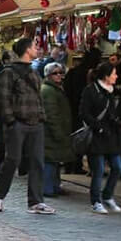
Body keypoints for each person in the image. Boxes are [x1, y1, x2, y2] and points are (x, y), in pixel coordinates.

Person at [0, 38, 55, 215]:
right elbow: (2, 98)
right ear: (27, 50)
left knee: (37, 162)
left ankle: (35, 201)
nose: (37, 49)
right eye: (34, 47)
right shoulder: (8, 72)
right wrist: (11, 120)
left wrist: (42, 117)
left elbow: (38, 97)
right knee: (13, 160)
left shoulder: (34, 72)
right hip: (18, 123)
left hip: (36, 123)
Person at [80, 62, 121, 214]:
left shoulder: (113, 91)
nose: (116, 76)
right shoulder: (90, 91)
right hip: (97, 136)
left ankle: (107, 195)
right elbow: (84, 113)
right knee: (98, 170)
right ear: (106, 76)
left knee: (117, 167)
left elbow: (112, 112)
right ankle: (96, 201)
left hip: (111, 135)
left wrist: (117, 122)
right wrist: (97, 126)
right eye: (114, 74)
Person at [64, 48, 102, 174]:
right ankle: (79, 165)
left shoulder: (73, 72)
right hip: (84, 111)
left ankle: (70, 165)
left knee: (75, 138)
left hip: (71, 109)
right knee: (85, 139)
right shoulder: (91, 74)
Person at [40, 62, 74, 197]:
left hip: (55, 131)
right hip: (50, 132)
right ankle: (48, 188)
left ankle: (54, 186)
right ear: (48, 75)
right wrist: (58, 133)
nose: (59, 75)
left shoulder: (55, 89)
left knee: (54, 161)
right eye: (55, 73)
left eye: (61, 72)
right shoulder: (48, 91)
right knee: (50, 161)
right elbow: (51, 114)